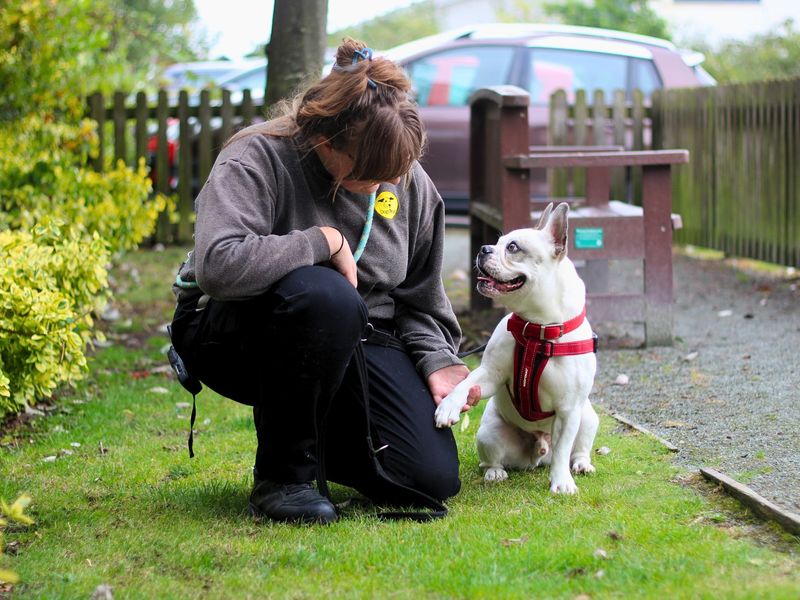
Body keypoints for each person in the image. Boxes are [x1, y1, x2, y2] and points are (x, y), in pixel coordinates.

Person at [169, 38, 477, 525]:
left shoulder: (405, 178)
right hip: (236, 330)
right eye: (368, 174)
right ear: (325, 140)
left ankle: (318, 428)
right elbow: (218, 264)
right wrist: (322, 241)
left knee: (427, 478)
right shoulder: (257, 156)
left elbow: (418, 297)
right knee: (325, 295)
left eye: (391, 175)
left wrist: (437, 359)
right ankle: (284, 478)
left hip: (356, 337)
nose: (382, 187)